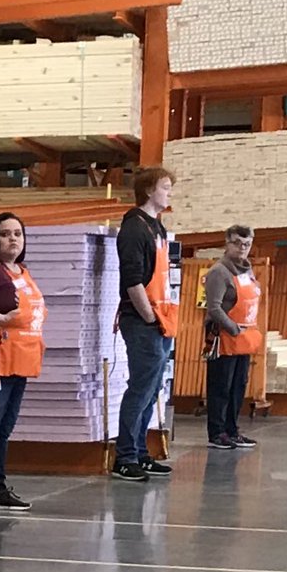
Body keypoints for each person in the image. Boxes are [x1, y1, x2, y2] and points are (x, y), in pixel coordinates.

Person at [0, 212, 47, 515]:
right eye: (5, 234)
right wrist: (0, 319)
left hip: (22, 362)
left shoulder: (21, 271)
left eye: (18, 233)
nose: (13, 239)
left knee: (3, 429)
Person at [112, 167, 179, 482]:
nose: (169, 193)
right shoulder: (135, 229)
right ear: (150, 190)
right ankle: (125, 456)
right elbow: (132, 279)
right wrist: (148, 316)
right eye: (165, 187)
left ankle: (140, 451)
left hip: (160, 321)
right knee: (140, 389)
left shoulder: (157, 228)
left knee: (152, 389)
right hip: (144, 322)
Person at [204, 225, 261, 451]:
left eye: (246, 244)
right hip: (224, 339)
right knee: (221, 387)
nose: (242, 248)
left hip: (244, 340)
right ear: (227, 244)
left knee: (238, 386)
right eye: (237, 243)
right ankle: (217, 432)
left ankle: (232, 430)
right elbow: (214, 308)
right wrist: (233, 328)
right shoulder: (219, 272)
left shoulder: (247, 271)